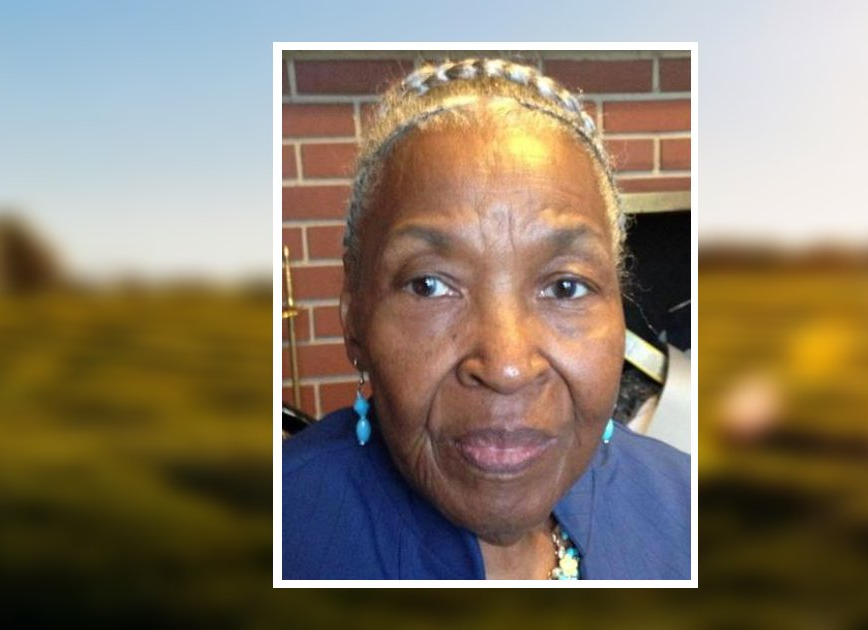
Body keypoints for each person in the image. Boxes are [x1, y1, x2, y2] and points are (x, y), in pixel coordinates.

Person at [281, 58, 691, 580]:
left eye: (565, 287)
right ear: (354, 320)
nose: (506, 367)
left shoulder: (686, 512)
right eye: (429, 285)